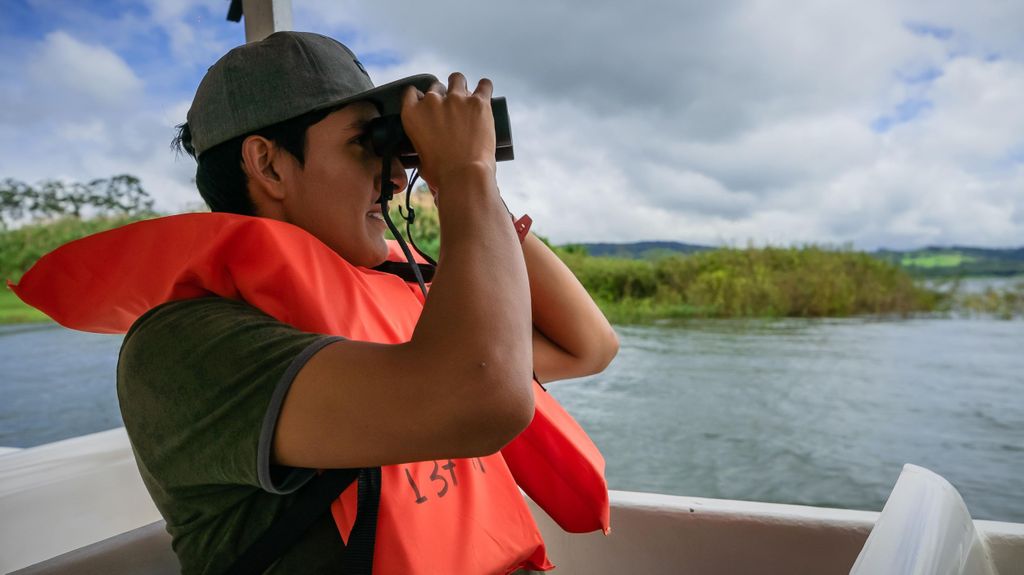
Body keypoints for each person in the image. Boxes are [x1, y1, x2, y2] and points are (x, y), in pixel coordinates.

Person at [116, 31, 618, 574]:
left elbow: (586, 347)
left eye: (394, 149)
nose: (397, 178)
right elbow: (484, 398)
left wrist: (470, 187)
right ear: (269, 164)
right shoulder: (186, 345)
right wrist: (464, 174)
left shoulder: (394, 300)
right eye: (365, 144)